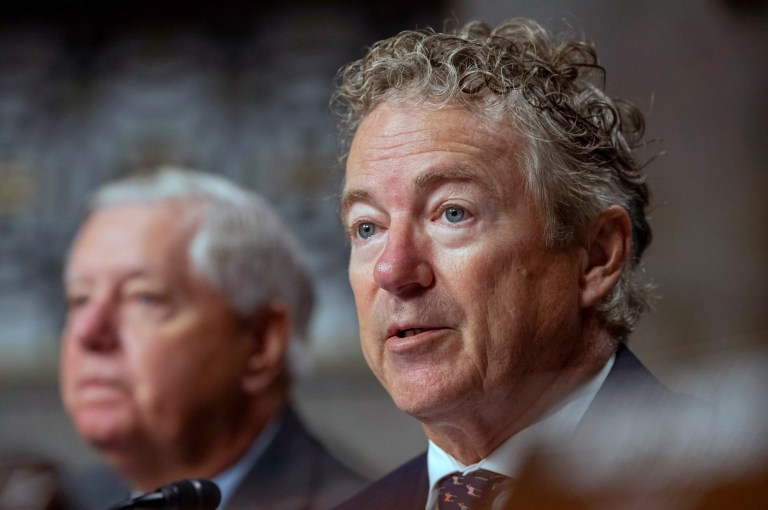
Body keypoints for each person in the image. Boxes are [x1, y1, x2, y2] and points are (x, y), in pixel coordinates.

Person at [331, 18, 686, 509]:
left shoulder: (724, 488)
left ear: (597, 256)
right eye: (367, 227)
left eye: (452, 213)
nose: (392, 270)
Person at [59, 167, 366, 510]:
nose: (88, 331)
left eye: (143, 298)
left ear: (260, 343)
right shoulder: (61, 500)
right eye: (79, 299)